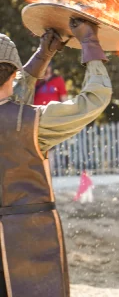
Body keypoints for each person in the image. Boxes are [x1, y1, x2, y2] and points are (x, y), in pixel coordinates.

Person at [0, 18, 111, 297]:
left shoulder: (21, 118)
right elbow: (95, 98)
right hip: (24, 243)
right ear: (12, 73)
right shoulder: (30, 122)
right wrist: (89, 43)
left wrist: (42, 55)